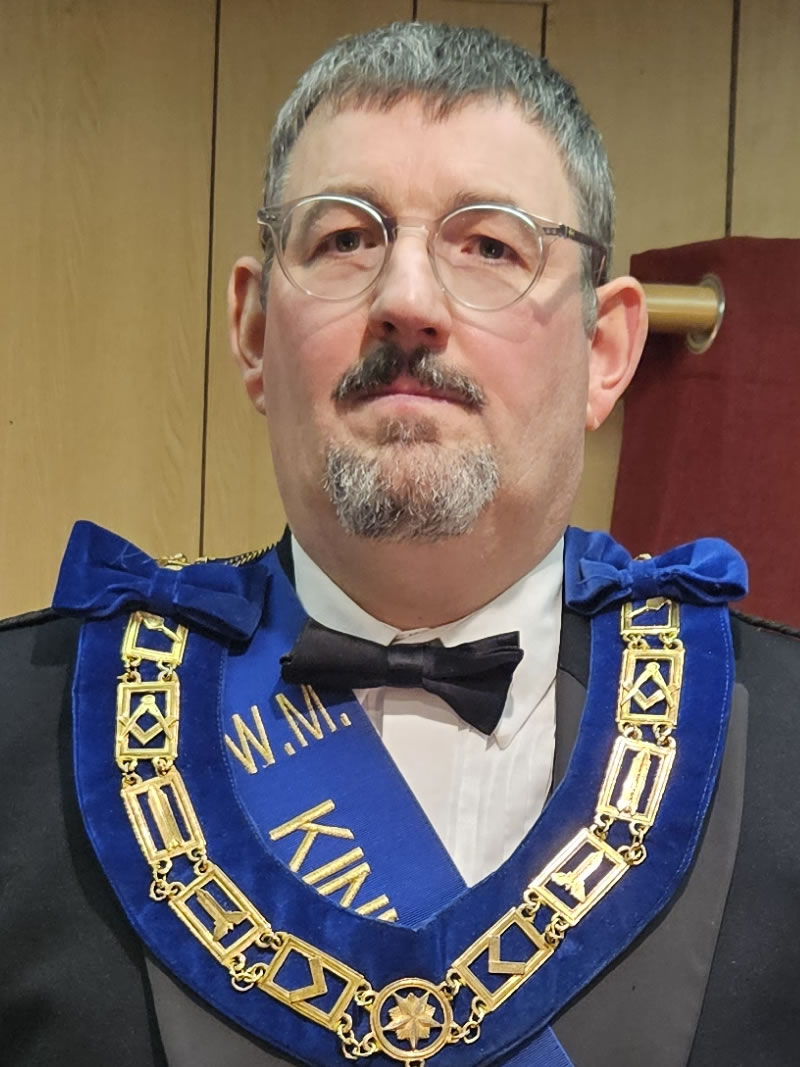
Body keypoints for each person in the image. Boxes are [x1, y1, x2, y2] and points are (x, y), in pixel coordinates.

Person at [2, 20, 799, 1067]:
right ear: (253, 331)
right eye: (345, 239)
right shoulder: (20, 724)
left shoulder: (785, 742)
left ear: (604, 350)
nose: (408, 301)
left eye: (491, 246)